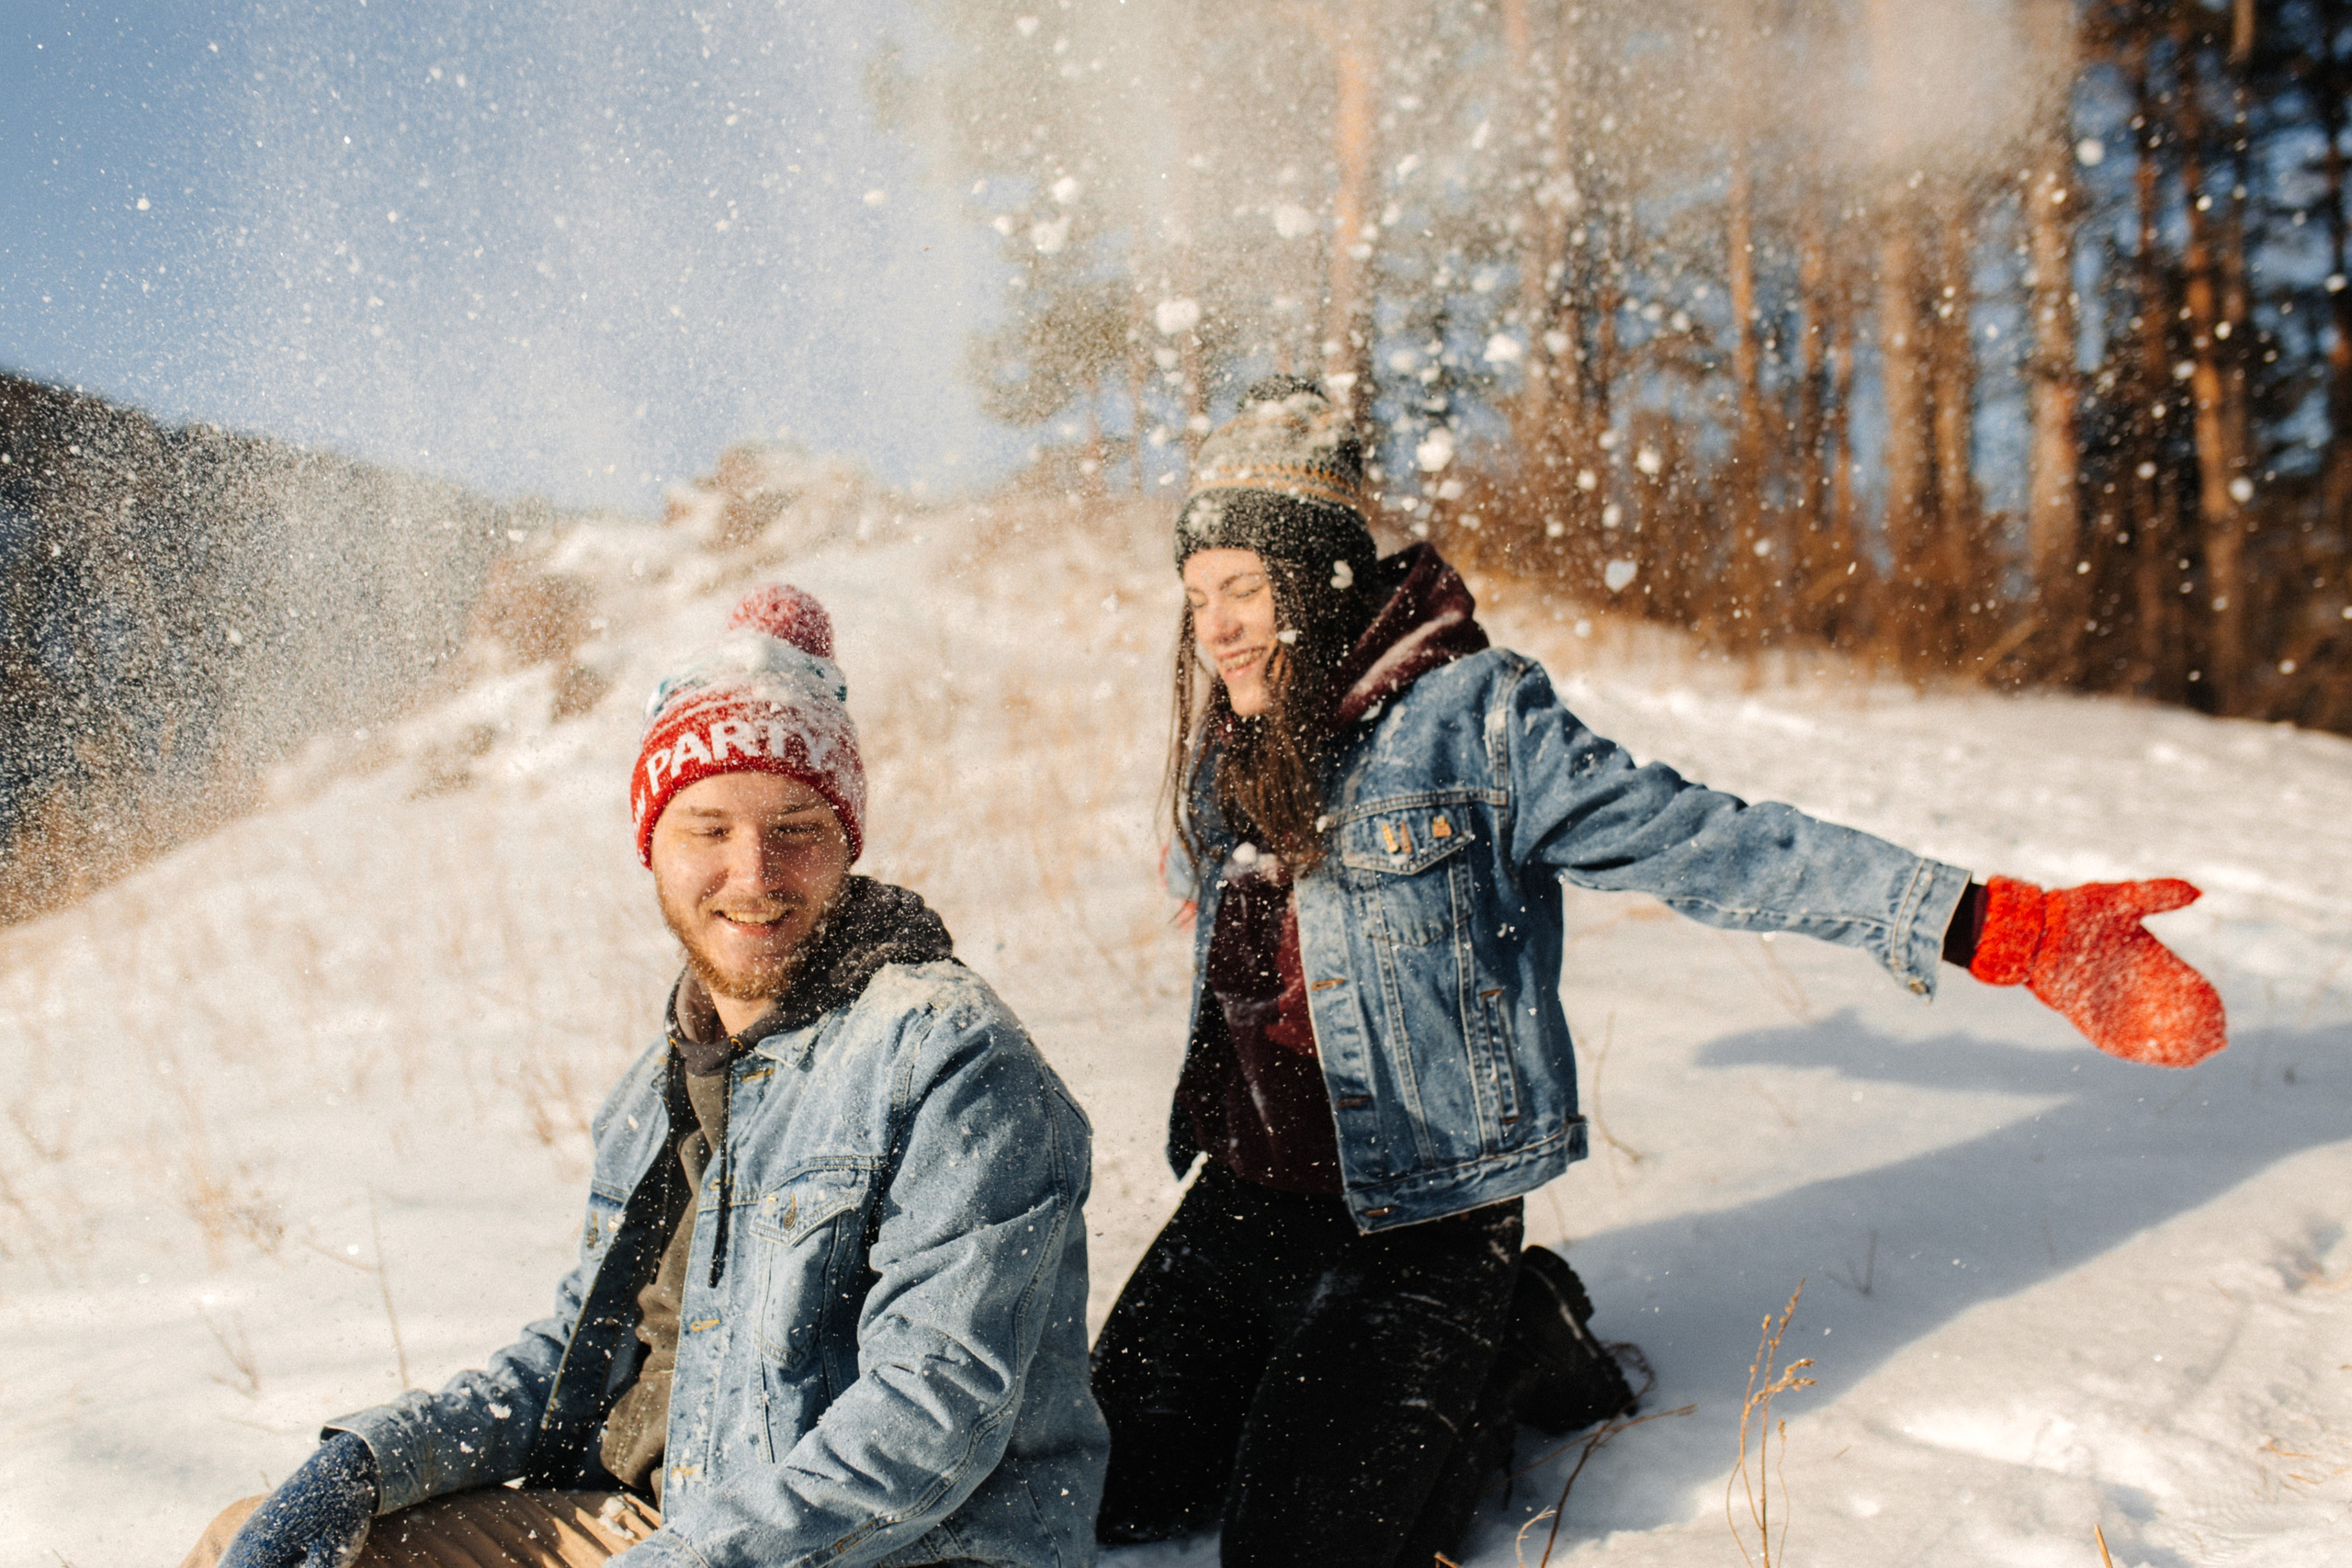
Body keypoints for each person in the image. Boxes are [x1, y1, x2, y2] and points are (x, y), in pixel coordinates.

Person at [1088, 377, 2228, 1568]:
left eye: (1243, 590)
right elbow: (1225, 878)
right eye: (1197, 597)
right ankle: (1316, 1361)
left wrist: (1987, 921)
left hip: (1421, 1214)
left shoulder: (1474, 717)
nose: (1214, 627)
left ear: (1319, 581)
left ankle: (1520, 1330)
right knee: (1110, 1486)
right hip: (1252, 1195)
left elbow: (1704, 838)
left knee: (1300, 1552)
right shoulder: (1238, 740)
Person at [185, 584, 1108, 1568]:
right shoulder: (660, 1086)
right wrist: (366, 1464)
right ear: (652, 850)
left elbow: (933, 1417)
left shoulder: (950, 1060)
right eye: (708, 829)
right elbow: (578, 1350)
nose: (754, 873)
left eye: (795, 826)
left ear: (847, 843)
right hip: (667, 1530)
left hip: (888, 1555)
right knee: (256, 1540)